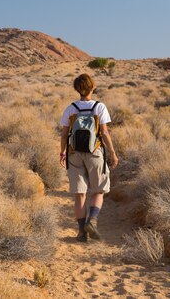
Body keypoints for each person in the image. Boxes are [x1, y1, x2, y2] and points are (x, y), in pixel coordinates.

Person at [59, 73, 119, 242]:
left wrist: (63, 153)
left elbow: (64, 135)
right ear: (92, 87)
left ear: (77, 89)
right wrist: (113, 153)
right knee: (99, 189)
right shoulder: (99, 107)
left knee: (80, 194)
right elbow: (104, 132)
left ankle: (81, 232)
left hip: (74, 153)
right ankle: (92, 221)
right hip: (95, 152)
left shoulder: (70, 108)